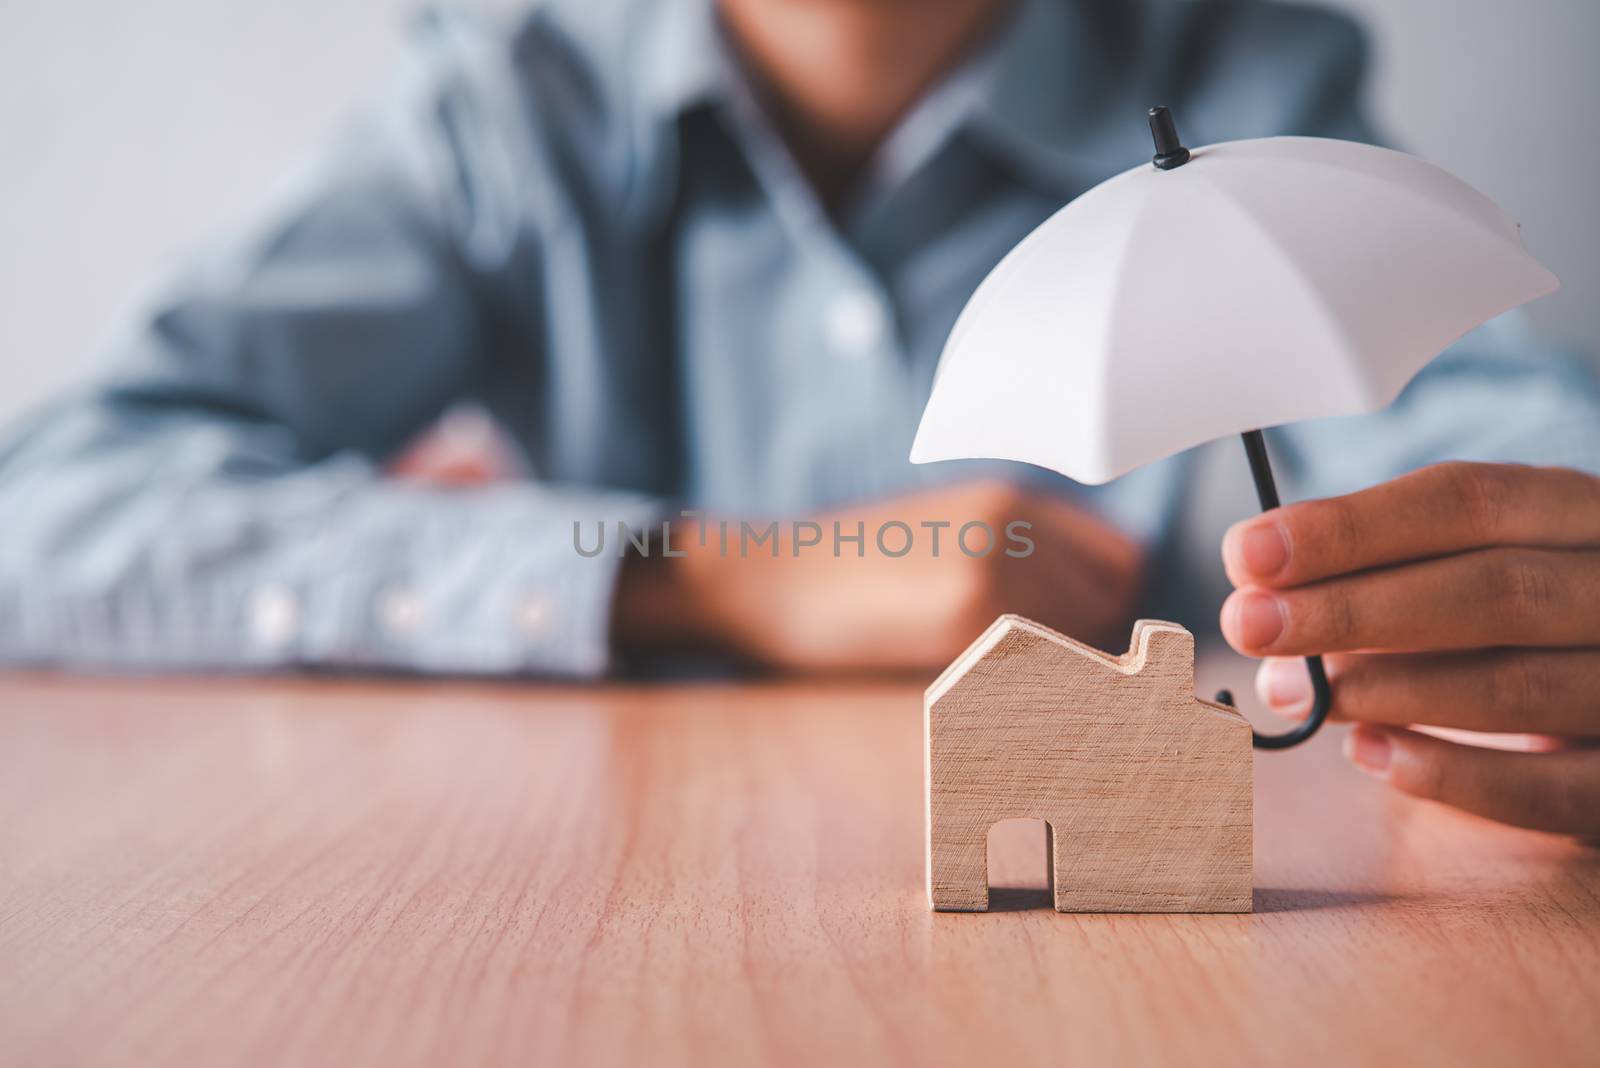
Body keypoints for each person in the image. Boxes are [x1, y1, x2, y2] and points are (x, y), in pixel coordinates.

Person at [0, 0, 1597, 835]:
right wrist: (713, 569)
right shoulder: (507, 119)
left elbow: (1483, 442)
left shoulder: (1243, 80)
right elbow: (50, 509)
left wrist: (1544, 612)